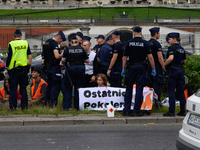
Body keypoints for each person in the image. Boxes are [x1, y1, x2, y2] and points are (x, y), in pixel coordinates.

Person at [121, 26, 156, 117]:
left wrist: (123, 69)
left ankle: (126, 110)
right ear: (140, 33)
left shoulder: (129, 42)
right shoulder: (145, 43)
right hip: (141, 67)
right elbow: (150, 58)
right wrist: (153, 69)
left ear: (133, 33)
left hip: (131, 67)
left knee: (129, 89)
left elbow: (124, 58)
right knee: (139, 89)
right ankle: (137, 111)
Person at [5, 29, 32, 111]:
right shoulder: (25, 43)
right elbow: (30, 56)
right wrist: (29, 67)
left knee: (13, 88)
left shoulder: (11, 44)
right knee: (23, 88)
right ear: (21, 36)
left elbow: (9, 57)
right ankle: (24, 107)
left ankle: (13, 107)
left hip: (13, 69)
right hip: (23, 69)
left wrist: (6, 67)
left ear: (13, 36)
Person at [61, 35, 89, 111]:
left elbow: (62, 61)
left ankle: (66, 107)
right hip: (80, 69)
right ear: (78, 42)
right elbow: (87, 61)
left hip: (71, 69)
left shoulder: (67, 49)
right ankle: (77, 107)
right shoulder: (82, 49)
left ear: (70, 42)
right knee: (78, 88)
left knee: (68, 88)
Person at [163, 32, 186, 117]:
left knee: (171, 90)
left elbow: (171, 58)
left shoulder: (171, 48)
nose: (168, 41)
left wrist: (164, 65)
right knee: (180, 91)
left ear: (174, 39)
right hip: (180, 70)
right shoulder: (182, 48)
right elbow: (184, 61)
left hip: (172, 70)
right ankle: (183, 110)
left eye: (170, 39)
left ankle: (171, 111)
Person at [45, 30, 66, 108]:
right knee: (55, 86)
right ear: (58, 38)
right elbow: (57, 56)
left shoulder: (47, 42)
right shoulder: (54, 43)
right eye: (61, 40)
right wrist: (63, 53)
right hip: (55, 68)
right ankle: (53, 104)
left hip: (48, 67)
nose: (60, 42)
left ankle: (47, 103)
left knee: (49, 86)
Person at [147, 27, 165, 102]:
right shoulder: (157, 44)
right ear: (156, 34)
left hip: (148, 66)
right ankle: (157, 102)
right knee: (158, 84)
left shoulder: (147, 43)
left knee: (149, 84)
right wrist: (163, 66)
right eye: (159, 33)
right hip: (157, 66)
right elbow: (160, 57)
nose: (159, 35)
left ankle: (148, 101)